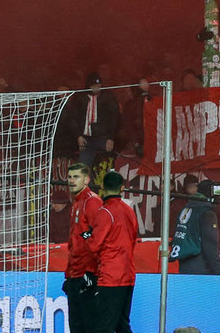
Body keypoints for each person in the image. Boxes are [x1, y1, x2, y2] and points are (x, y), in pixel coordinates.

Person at [87, 170, 139, 333]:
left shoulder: (104, 212)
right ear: (122, 188)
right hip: (128, 274)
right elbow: (133, 238)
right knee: (122, 324)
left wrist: (85, 233)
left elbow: (94, 244)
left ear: (102, 186)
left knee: (104, 325)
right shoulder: (129, 211)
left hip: (110, 276)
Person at [63, 163, 102, 333]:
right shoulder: (77, 202)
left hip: (86, 274)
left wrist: (90, 273)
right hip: (75, 273)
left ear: (87, 180)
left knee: (89, 325)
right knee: (76, 326)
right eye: (70, 177)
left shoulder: (92, 201)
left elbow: (97, 232)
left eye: (76, 177)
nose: (71, 181)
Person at [169, 179, 220, 275]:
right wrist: (219, 273)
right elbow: (210, 246)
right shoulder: (207, 214)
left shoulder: (185, 209)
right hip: (202, 267)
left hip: (184, 265)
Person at [78, 72, 120, 167]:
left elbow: (114, 118)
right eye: (94, 86)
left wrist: (110, 137)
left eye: (99, 85)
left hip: (103, 137)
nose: (97, 88)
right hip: (86, 138)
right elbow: (74, 118)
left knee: (107, 164)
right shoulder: (80, 98)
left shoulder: (108, 97)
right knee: (83, 166)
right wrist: (78, 136)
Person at [118, 79, 152, 157]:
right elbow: (128, 126)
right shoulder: (131, 105)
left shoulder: (153, 101)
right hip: (135, 143)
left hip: (151, 142)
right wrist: (136, 144)